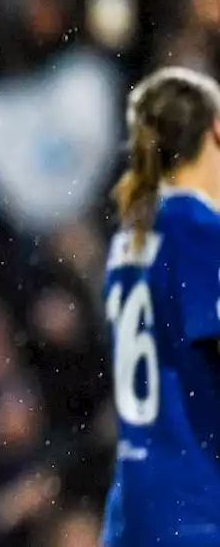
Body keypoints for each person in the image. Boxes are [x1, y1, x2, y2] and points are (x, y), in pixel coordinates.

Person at [102, 66, 220, 546]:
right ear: (216, 131)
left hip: (135, 504)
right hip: (195, 504)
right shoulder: (194, 228)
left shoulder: (130, 236)